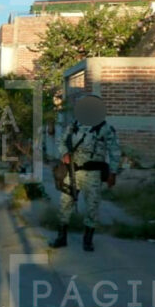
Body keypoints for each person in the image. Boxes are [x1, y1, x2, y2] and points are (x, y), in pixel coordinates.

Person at [50, 93, 122, 252]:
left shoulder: (105, 128)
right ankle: (61, 237)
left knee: (92, 207)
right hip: (73, 171)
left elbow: (115, 151)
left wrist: (113, 173)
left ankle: (88, 240)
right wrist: (64, 154)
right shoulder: (74, 125)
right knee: (64, 204)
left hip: (93, 174)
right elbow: (61, 141)